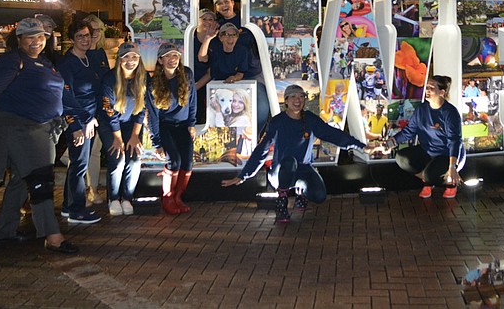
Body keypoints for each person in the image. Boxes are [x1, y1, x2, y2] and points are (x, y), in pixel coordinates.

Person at [0, 17, 78, 254]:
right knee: (40, 180)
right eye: (29, 37)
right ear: (19, 39)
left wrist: (78, 121)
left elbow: (62, 96)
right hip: (18, 128)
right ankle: (53, 235)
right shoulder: (12, 61)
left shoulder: (47, 64)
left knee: (21, 178)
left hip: (45, 129)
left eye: (40, 37)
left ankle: (4, 231)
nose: (35, 42)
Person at [221, 85, 370, 223]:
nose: (297, 100)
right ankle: (282, 202)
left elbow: (333, 135)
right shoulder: (278, 122)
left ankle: (301, 192)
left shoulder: (309, 119)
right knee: (289, 161)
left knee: (319, 196)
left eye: (301, 96)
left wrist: (361, 147)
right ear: (286, 101)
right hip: (281, 172)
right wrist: (243, 175)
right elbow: (262, 149)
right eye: (293, 96)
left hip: (303, 169)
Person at [58, 20, 108, 224]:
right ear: (72, 39)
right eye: (80, 36)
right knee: (79, 165)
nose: (85, 39)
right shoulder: (67, 63)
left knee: (77, 164)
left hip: (90, 119)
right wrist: (78, 124)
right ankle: (77, 211)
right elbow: (66, 95)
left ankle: (67, 206)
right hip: (79, 120)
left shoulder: (88, 59)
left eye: (87, 35)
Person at [383, 75, 465, 199]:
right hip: (428, 152)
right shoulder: (421, 109)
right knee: (401, 158)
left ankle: (450, 182)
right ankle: (428, 180)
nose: (427, 90)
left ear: (442, 92)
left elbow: (455, 141)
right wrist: (389, 143)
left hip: (447, 155)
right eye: (427, 87)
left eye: (431, 87)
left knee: (429, 176)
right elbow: (408, 132)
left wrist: (453, 166)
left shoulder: (450, 113)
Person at [147, 42, 197, 215]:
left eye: (175, 55)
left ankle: (178, 196)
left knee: (188, 163)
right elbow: (152, 114)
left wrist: (191, 123)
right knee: (173, 161)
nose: (172, 59)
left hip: (183, 125)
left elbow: (192, 102)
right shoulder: (153, 82)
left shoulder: (187, 74)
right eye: (168, 56)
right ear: (160, 60)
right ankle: (167, 197)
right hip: (165, 125)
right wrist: (156, 142)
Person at [98, 42, 147, 216]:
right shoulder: (109, 79)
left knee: (134, 160)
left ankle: (127, 198)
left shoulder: (143, 78)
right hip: (110, 124)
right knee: (117, 159)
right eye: (126, 57)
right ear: (120, 60)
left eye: (134, 57)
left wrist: (135, 135)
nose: (130, 61)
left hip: (131, 123)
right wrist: (118, 138)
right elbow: (109, 111)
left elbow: (142, 109)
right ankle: (113, 198)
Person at [81, 14, 109, 206]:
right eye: (91, 31)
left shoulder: (100, 54)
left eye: (98, 30)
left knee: (95, 151)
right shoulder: (78, 56)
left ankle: (92, 190)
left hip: (100, 109)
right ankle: (81, 191)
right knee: (81, 152)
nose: (95, 34)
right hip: (83, 110)